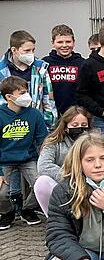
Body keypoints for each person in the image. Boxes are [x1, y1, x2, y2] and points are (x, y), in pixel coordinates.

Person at [0, 76, 47, 229]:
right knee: (2, 192)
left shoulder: (34, 114)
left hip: (28, 159)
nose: (27, 96)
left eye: (26, 91)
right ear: (9, 97)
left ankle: (27, 208)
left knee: (41, 185)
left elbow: (43, 141)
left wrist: (44, 162)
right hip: (4, 160)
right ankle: (7, 213)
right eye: (21, 93)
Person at [34, 106, 91, 216]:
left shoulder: (95, 141)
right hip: (63, 184)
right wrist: (70, 178)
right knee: (42, 182)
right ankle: (54, 220)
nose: (80, 128)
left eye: (84, 125)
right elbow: (44, 166)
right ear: (65, 126)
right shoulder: (53, 142)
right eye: (75, 125)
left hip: (89, 185)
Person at [0, 30, 57, 128]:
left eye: (33, 50)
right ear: (14, 50)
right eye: (26, 51)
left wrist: (50, 125)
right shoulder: (2, 70)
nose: (31, 54)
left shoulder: (41, 68)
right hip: (8, 124)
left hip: (35, 121)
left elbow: (48, 99)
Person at [43, 24, 86, 116]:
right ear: (53, 43)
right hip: (52, 114)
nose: (64, 45)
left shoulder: (83, 63)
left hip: (77, 114)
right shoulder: (45, 63)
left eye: (68, 41)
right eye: (60, 42)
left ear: (74, 42)